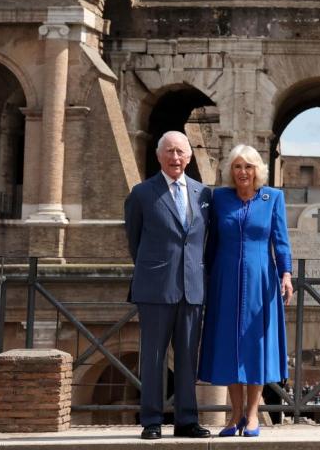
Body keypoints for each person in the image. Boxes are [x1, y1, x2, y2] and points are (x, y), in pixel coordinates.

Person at [199, 144, 293, 438]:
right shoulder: (220, 198)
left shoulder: (273, 198)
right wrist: (205, 276)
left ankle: (252, 414)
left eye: (248, 166)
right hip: (224, 279)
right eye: (238, 166)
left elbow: (281, 241)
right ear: (231, 171)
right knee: (229, 344)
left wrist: (286, 274)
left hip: (260, 279)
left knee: (255, 344)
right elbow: (210, 242)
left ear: (257, 171)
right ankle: (234, 414)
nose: (243, 172)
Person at [124, 131, 212, 440]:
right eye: (170, 152)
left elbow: (205, 243)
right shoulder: (141, 194)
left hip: (192, 288)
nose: (176, 158)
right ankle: (151, 420)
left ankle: (187, 420)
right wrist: (157, 269)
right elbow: (134, 242)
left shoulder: (204, 195)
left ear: (189, 157)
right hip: (155, 288)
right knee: (153, 357)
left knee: (188, 357)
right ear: (159, 156)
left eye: (180, 152)